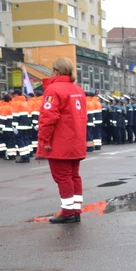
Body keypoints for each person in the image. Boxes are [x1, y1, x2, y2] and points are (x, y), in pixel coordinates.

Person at [38, 57, 88, 225]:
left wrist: (44, 140)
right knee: (74, 177)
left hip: (60, 141)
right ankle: (75, 210)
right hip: (76, 140)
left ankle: (68, 212)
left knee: (63, 177)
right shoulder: (77, 89)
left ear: (56, 71)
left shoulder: (53, 89)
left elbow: (48, 117)